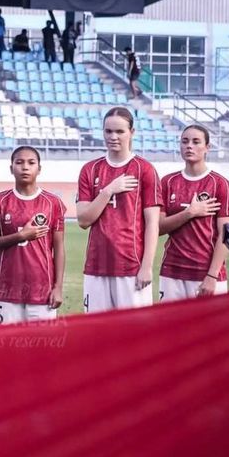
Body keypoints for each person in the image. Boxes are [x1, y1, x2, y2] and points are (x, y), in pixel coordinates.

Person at [77, 107, 161, 313]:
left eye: (120, 131)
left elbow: (152, 223)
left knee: (135, 337)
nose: (113, 137)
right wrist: (108, 191)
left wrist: (146, 267)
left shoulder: (145, 169)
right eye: (108, 131)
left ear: (132, 132)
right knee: (97, 335)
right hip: (96, 267)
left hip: (131, 268)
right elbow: (83, 220)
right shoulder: (90, 169)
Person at [0, 146, 66, 324]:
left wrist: (58, 287)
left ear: (39, 168)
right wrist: (21, 236)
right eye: (19, 162)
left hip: (42, 291)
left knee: (41, 349)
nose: (25, 167)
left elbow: (59, 248)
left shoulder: (53, 203)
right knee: (7, 347)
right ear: (11, 168)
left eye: (31, 162)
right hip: (7, 290)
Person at [158, 125, 229, 300]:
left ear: (207, 147)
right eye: (185, 141)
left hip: (206, 275)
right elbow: (159, 228)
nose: (189, 146)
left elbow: (225, 235)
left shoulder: (220, 184)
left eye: (196, 142)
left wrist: (212, 276)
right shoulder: (167, 182)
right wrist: (189, 213)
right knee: (172, 328)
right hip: (172, 271)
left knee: (211, 328)